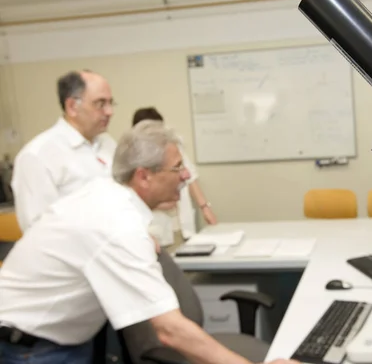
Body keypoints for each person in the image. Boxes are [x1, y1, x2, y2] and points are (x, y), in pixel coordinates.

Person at [0, 120, 298, 364]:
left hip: (58, 336)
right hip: (30, 346)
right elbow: (169, 331)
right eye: (177, 167)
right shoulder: (117, 225)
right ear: (143, 176)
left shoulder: (110, 197)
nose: (185, 176)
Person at [10, 69, 116, 232]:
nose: (109, 112)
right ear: (72, 106)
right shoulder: (37, 156)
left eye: (110, 103)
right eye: (100, 104)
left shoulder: (108, 144)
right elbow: (39, 230)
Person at [132, 107, 217, 252]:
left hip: (181, 224)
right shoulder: (133, 159)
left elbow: (191, 177)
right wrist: (159, 202)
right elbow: (131, 194)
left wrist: (205, 208)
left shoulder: (172, 149)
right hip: (156, 229)